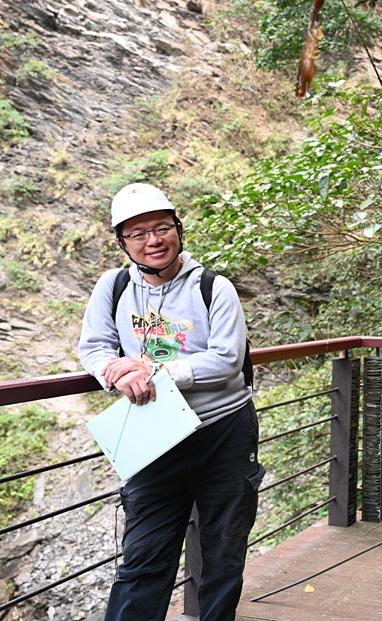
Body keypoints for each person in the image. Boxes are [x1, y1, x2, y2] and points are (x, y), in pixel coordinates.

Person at [78, 182, 265, 621]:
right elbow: (94, 346)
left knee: (223, 551)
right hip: (153, 435)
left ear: (178, 229)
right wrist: (114, 371)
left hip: (222, 432)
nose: (153, 240)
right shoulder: (114, 286)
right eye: (138, 234)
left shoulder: (213, 288)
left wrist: (154, 373)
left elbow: (226, 360)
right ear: (122, 242)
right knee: (143, 556)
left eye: (161, 228)